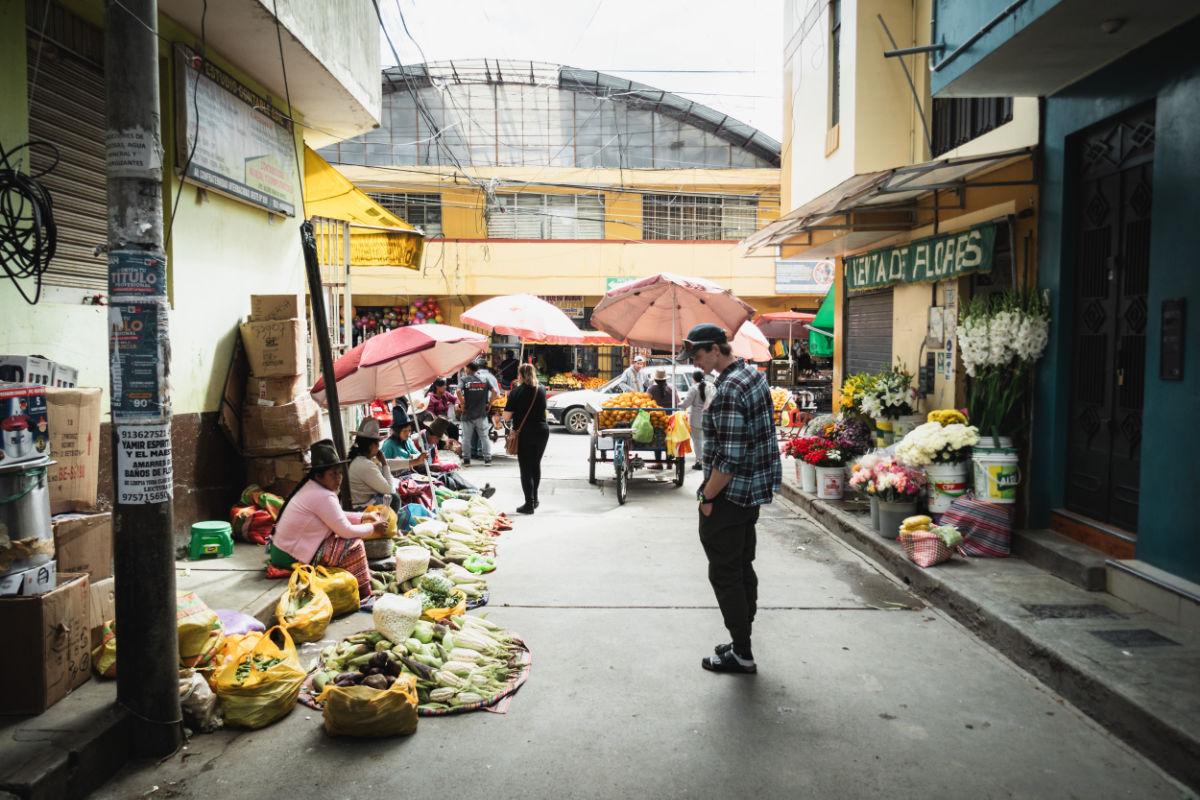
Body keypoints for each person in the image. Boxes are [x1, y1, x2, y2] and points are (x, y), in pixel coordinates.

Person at [682, 323, 782, 675]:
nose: (695, 362)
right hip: (750, 494)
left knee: (725, 574)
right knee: (741, 568)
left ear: (714, 349)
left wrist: (705, 496)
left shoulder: (728, 390)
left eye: (697, 355)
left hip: (729, 495)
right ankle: (742, 639)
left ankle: (742, 652)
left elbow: (729, 458)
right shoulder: (752, 376)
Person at [267, 439, 388, 600]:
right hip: (290, 558)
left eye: (339, 473)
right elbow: (345, 530)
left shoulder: (313, 487)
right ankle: (364, 594)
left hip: (280, 551)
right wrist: (374, 527)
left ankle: (359, 579)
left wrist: (365, 516)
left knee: (340, 540)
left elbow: (335, 515)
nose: (338, 478)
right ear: (319, 475)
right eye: (333, 474)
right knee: (354, 545)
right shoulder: (322, 495)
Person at [502, 363, 549, 514]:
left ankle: (529, 504)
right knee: (536, 465)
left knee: (526, 468)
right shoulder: (541, 389)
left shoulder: (516, 392)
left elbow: (507, 416)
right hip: (542, 431)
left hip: (525, 433)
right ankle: (535, 499)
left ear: (520, 375)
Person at [346, 417, 403, 512]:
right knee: (394, 499)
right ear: (371, 446)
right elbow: (389, 489)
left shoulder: (357, 459)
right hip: (359, 508)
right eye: (377, 445)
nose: (378, 449)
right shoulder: (365, 464)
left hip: (356, 504)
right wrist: (384, 463)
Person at [455, 360, 496, 466]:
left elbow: (458, 391)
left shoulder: (464, 379)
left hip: (467, 414)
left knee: (466, 438)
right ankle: (487, 460)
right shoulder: (485, 379)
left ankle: (467, 460)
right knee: (484, 437)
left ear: (468, 369)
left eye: (465, 368)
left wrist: (463, 403)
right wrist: (490, 404)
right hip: (481, 414)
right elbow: (495, 391)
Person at [379, 408, 427, 478]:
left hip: (411, 474)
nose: (408, 433)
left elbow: (417, 454)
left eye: (409, 430)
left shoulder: (408, 441)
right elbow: (382, 467)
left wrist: (416, 456)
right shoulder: (389, 445)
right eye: (405, 431)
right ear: (397, 431)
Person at [646, 367, 679, 469]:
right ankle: (669, 462)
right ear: (666, 379)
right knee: (668, 438)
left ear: (655, 379)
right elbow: (677, 401)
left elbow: (646, 403)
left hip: (657, 420)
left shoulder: (651, 389)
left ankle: (658, 463)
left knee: (657, 439)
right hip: (670, 419)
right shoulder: (672, 388)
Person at [681, 369, 712, 471]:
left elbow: (686, 403)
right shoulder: (709, 387)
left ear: (694, 379)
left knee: (697, 441)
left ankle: (700, 461)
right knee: (705, 440)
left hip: (696, 418)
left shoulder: (694, 388)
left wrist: (678, 405)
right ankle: (706, 461)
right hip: (708, 417)